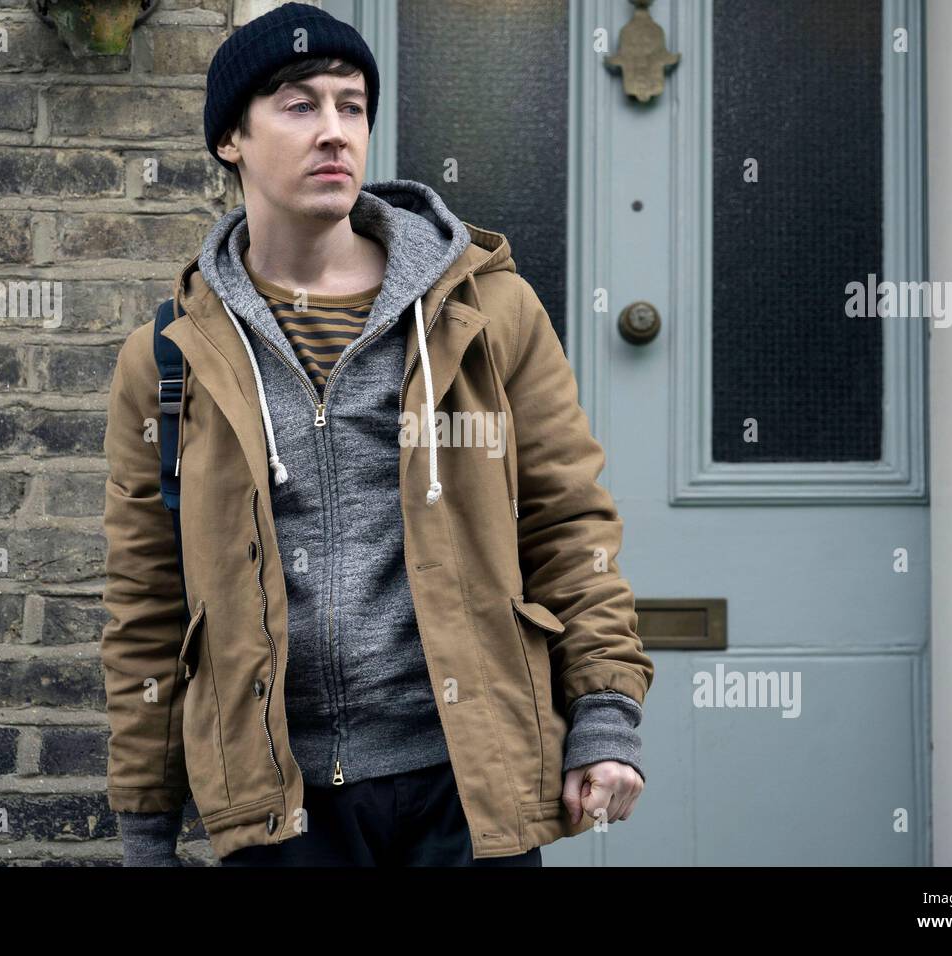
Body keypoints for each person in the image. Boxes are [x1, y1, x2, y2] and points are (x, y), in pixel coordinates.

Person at [101, 1, 653, 867]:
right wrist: (144, 823)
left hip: (464, 786)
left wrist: (606, 713)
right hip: (280, 803)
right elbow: (147, 599)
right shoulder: (170, 359)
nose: (334, 132)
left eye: (351, 105)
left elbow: (568, 521)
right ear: (229, 140)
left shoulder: (486, 312)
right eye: (298, 104)